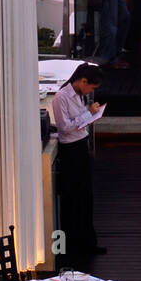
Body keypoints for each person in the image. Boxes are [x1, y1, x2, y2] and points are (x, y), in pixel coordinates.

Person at [52, 63, 107, 263]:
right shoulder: (61, 97)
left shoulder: (79, 95)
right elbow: (65, 127)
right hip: (71, 152)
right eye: (91, 87)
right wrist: (88, 114)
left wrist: (89, 115)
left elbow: (76, 123)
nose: (91, 91)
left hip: (81, 146)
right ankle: (71, 247)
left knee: (86, 197)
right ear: (83, 81)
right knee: (72, 198)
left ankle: (87, 242)